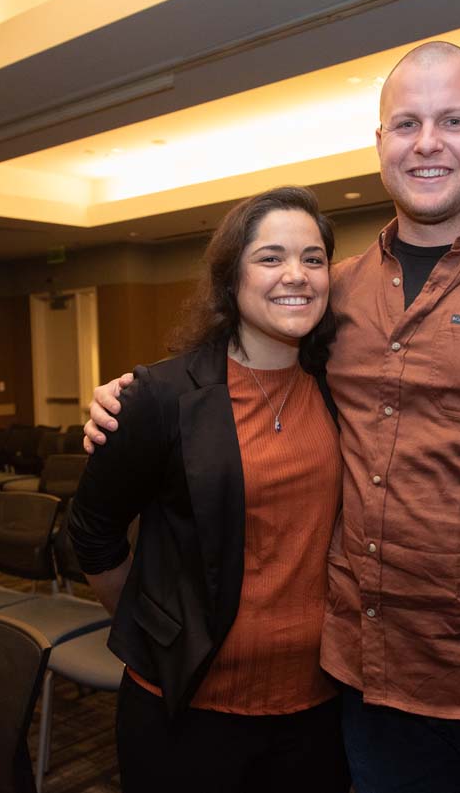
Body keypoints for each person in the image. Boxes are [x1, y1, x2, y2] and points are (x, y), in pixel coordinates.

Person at [86, 42, 460, 793]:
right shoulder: (338, 294)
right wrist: (132, 394)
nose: (427, 142)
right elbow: (240, 355)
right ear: (379, 145)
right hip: (369, 688)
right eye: (406, 124)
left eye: (453, 120)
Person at [68, 186, 350, 793]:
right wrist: (153, 626)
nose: (295, 275)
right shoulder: (159, 398)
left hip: (320, 705)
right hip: (186, 708)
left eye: (313, 258)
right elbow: (91, 532)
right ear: (231, 278)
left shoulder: (343, 385)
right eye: (270, 257)